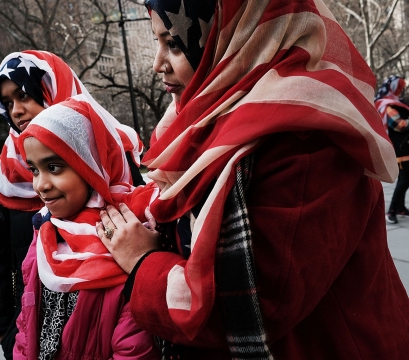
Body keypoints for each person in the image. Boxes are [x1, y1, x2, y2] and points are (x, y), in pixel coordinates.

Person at [96, 1, 409, 359]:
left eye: (176, 44)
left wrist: (143, 263)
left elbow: (255, 304)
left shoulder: (302, 137)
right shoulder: (203, 120)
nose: (157, 64)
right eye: (157, 42)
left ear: (235, 37)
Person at [0, 50, 145, 359]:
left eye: (23, 95)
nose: (17, 111)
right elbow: (2, 260)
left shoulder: (109, 153)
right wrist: (5, 329)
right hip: (31, 329)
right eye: (7, 103)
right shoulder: (7, 175)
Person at [13, 96, 160, 360]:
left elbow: (134, 347)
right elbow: (28, 322)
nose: (40, 185)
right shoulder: (45, 231)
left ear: (92, 166)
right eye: (34, 170)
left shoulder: (124, 232)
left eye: (54, 167)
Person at [375, 75, 409, 224]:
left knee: (404, 178)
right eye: (399, 88)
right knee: (405, 179)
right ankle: (392, 211)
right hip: (401, 148)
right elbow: (399, 125)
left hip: (405, 146)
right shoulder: (386, 105)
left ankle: (400, 207)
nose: (401, 91)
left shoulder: (397, 104)